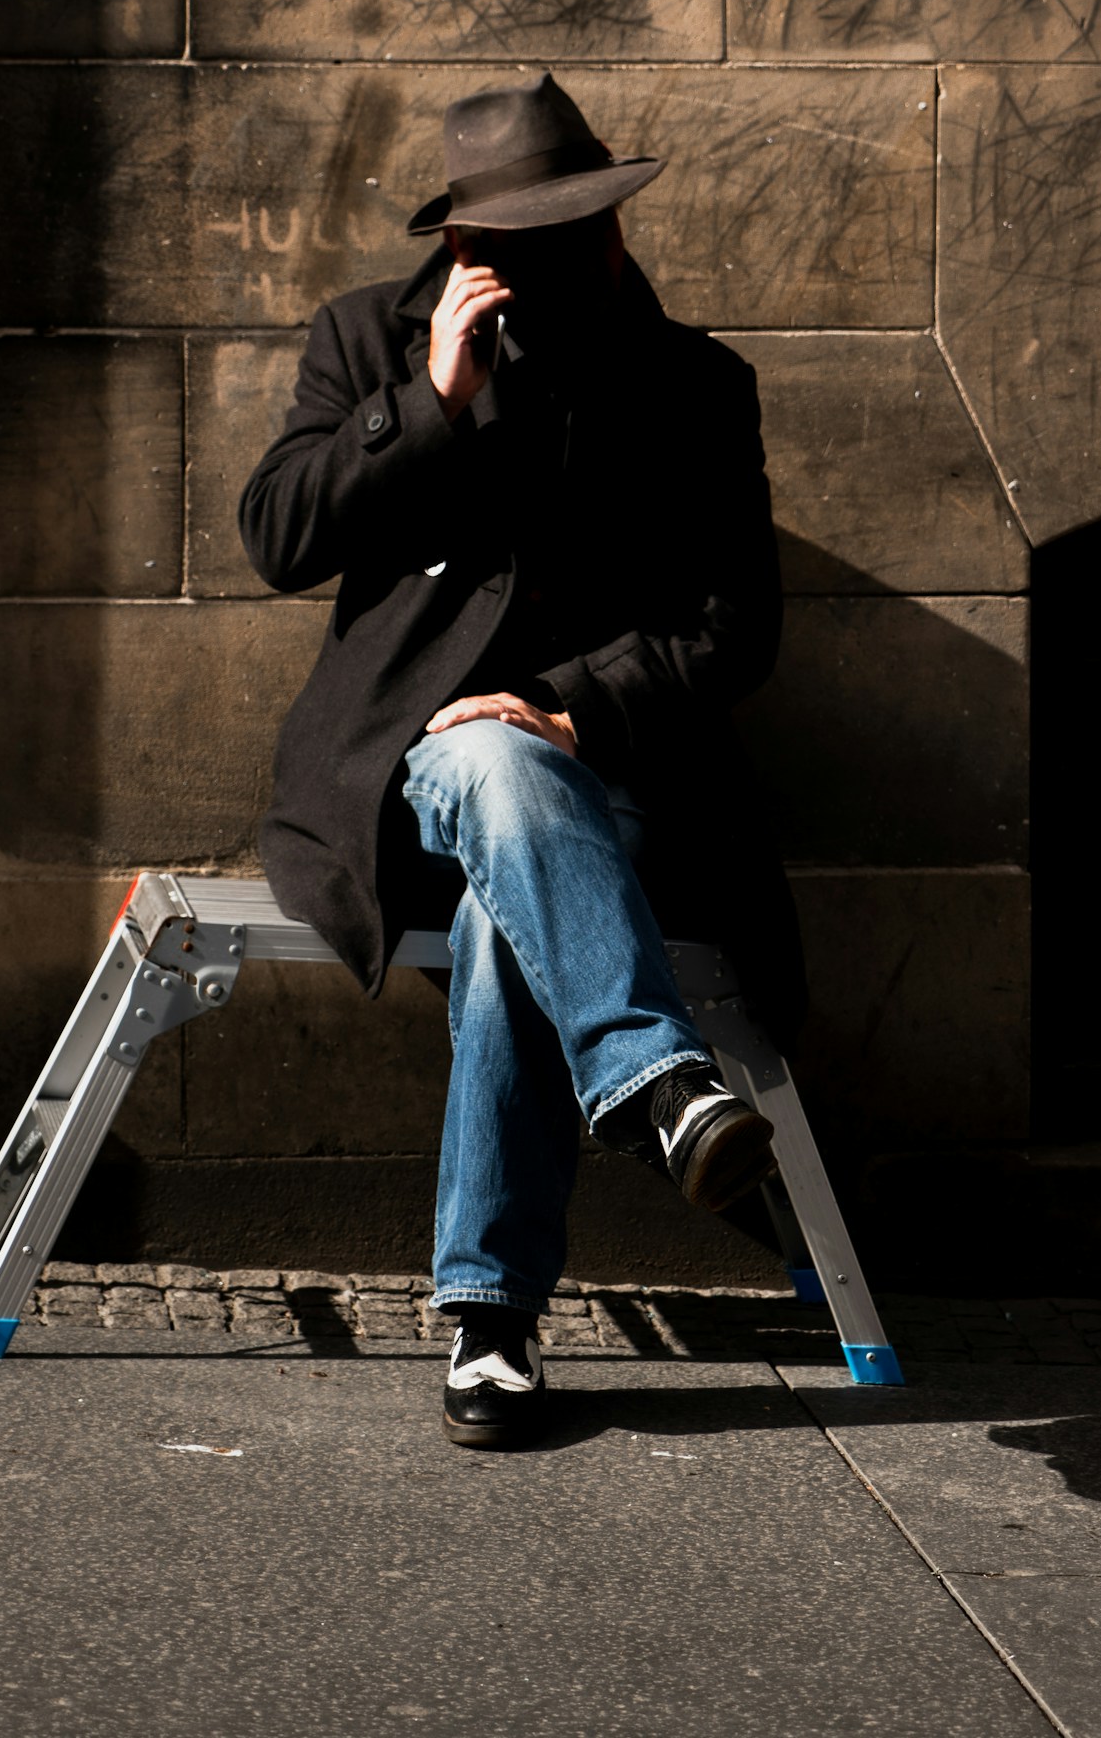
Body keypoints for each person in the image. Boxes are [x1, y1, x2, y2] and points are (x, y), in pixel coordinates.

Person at [239, 72, 803, 1448]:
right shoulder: (370, 340)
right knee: (487, 772)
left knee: (515, 892)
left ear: (615, 230)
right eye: (522, 248)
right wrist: (426, 399)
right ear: (460, 256)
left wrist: (562, 706)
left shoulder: (693, 384)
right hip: (408, 777)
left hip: (612, 780)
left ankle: (489, 1324)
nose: (569, 267)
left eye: (585, 233)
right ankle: (660, 1084)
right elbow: (274, 534)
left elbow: (737, 626)